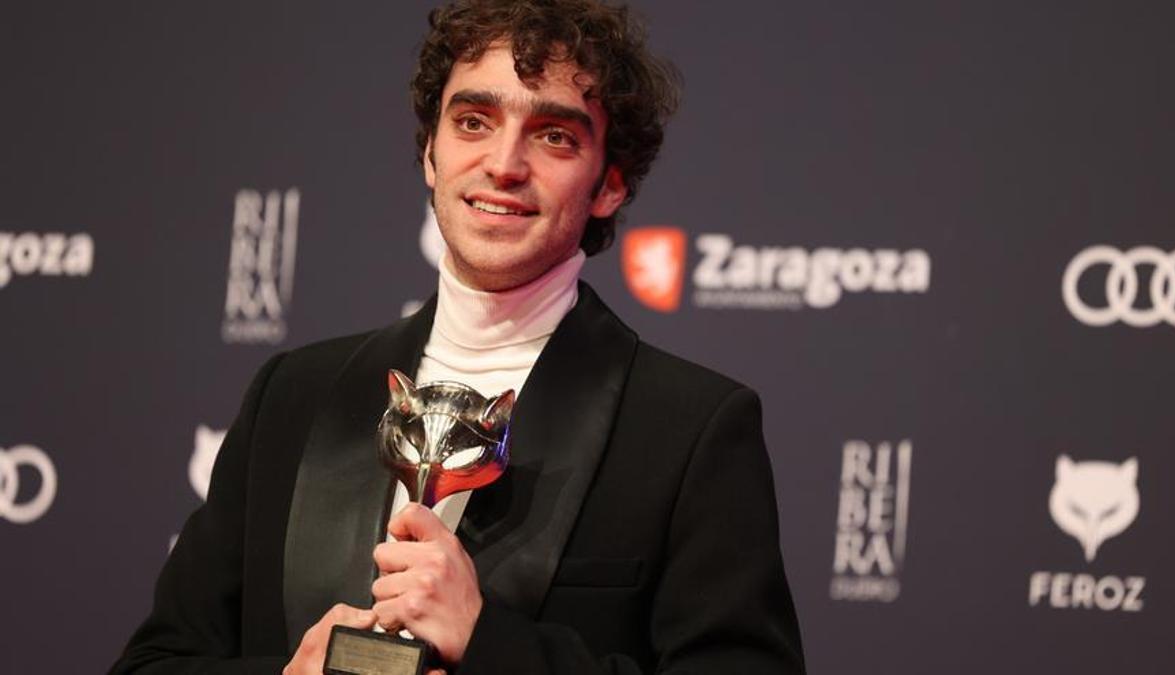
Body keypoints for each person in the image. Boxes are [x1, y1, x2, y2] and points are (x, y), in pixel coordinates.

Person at [112, 1, 805, 673]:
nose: (504, 163)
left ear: (610, 185)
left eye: (554, 135)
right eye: (473, 121)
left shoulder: (690, 429)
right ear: (430, 155)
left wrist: (489, 641)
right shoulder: (290, 396)